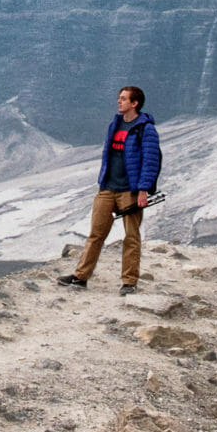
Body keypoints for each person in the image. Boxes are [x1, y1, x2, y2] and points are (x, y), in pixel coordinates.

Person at [62, 85, 160, 294]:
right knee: (96, 234)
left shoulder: (146, 129)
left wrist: (143, 190)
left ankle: (129, 282)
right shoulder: (114, 125)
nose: (119, 101)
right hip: (107, 187)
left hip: (130, 191)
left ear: (135, 103)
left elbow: (151, 160)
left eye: (124, 99)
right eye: (119, 98)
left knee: (131, 237)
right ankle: (80, 277)